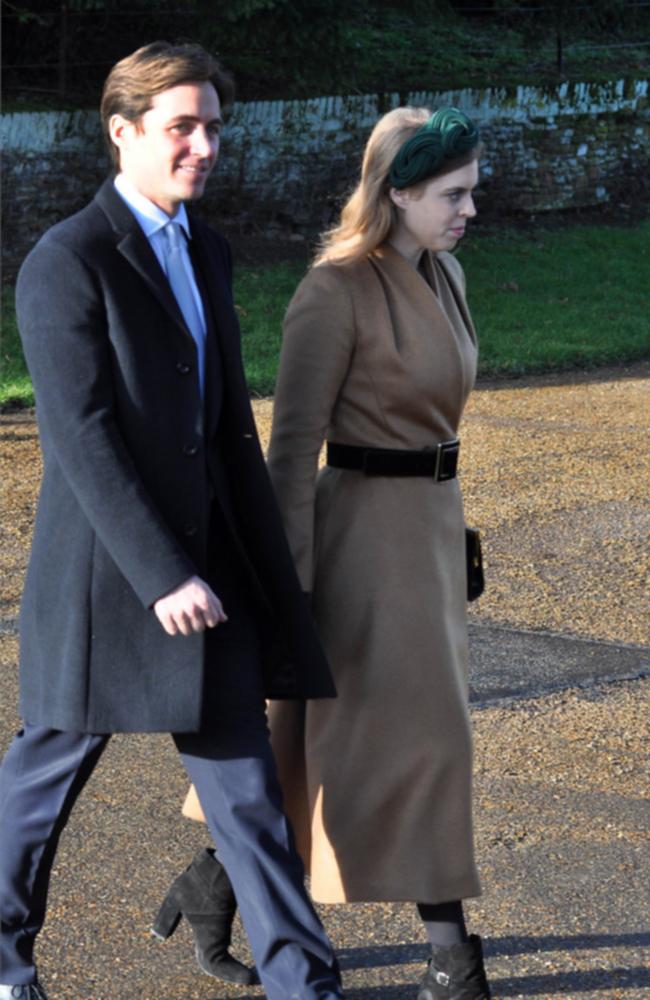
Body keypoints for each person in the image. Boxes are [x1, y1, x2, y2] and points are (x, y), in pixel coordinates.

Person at [0, 41, 345, 1000]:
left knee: (250, 802)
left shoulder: (207, 247)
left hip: (212, 570)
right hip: (109, 584)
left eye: (214, 127)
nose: (205, 145)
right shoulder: (66, 261)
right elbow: (82, 439)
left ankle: (302, 984)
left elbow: (226, 426)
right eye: (182, 127)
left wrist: (259, 563)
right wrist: (162, 575)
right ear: (123, 133)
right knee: (41, 792)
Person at [265, 106, 492, 1000]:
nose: (470, 209)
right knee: (419, 739)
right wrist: (289, 579)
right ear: (396, 190)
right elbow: (291, 450)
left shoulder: (448, 274)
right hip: (359, 539)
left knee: (330, 732)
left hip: (431, 530)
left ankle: (214, 876)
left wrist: (454, 526)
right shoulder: (334, 291)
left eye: (474, 191)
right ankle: (452, 959)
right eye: (452, 193)